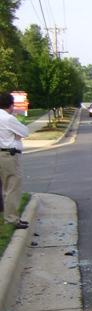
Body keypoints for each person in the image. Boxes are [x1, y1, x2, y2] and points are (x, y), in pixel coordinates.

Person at [0, 91, 29, 229]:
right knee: (12, 187)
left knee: (5, 186)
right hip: (9, 155)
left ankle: (7, 215)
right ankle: (11, 219)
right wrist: (16, 136)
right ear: (11, 105)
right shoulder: (8, 119)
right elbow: (25, 132)